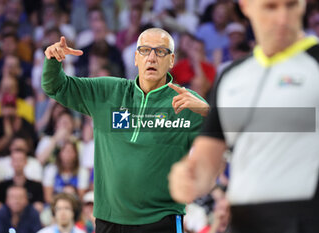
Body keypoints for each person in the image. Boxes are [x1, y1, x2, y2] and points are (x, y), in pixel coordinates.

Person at [168, 0, 319, 232]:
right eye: (271, 7)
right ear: (246, 6)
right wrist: (187, 176)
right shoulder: (230, 76)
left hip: (304, 219)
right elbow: (206, 163)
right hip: (241, 222)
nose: (282, 18)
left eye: (291, 5)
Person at [42, 27, 209, 232]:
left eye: (160, 52)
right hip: (109, 219)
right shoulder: (108, 92)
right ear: (135, 58)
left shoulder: (187, 103)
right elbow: (56, 87)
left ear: (172, 60)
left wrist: (207, 112)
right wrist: (53, 61)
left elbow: (243, 131)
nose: (152, 58)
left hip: (161, 220)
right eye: (145, 50)